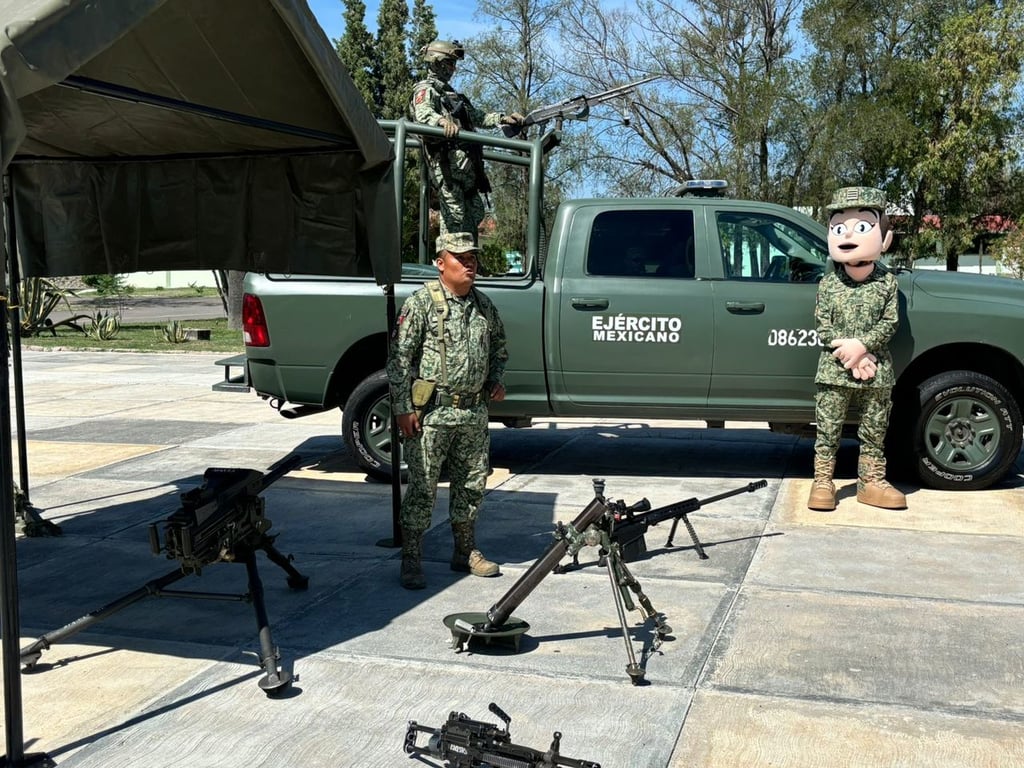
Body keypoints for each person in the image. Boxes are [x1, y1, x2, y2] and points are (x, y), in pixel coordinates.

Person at [386, 231, 509, 589]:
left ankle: (465, 551)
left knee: (472, 485)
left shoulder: (484, 306)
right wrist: (402, 407)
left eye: (472, 259)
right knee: (424, 488)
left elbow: (499, 348)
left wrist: (495, 380)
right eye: (461, 259)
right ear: (441, 264)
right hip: (433, 416)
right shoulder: (421, 304)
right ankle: (411, 557)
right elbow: (398, 360)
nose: (469, 265)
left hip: (472, 414)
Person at [809, 187, 907, 511]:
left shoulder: (887, 282)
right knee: (827, 430)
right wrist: (849, 355)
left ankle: (871, 483)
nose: (848, 234)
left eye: (862, 226)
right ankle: (823, 482)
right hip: (834, 371)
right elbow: (823, 324)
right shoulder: (828, 283)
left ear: (885, 237)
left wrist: (863, 347)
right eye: (839, 227)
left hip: (875, 370)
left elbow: (890, 322)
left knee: (875, 430)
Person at [409, 40, 523, 241]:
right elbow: (423, 115)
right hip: (447, 168)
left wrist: (502, 118)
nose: (453, 69)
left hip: (467, 170)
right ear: (436, 62)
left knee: (476, 211)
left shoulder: (452, 95)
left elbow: (477, 116)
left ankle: (467, 261)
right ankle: (452, 264)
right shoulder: (426, 90)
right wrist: (441, 121)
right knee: (455, 219)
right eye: (449, 63)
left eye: (454, 64)